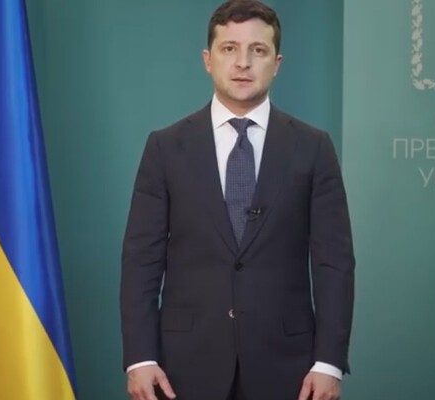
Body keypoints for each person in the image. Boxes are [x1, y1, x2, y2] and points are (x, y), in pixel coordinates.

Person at [120, 1, 354, 399]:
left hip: (290, 368)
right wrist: (140, 358)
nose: (243, 62)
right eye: (229, 48)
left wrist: (328, 362)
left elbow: (335, 263)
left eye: (257, 50)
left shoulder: (314, 148)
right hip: (184, 366)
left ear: (277, 63)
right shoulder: (165, 147)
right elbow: (141, 259)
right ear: (207, 60)